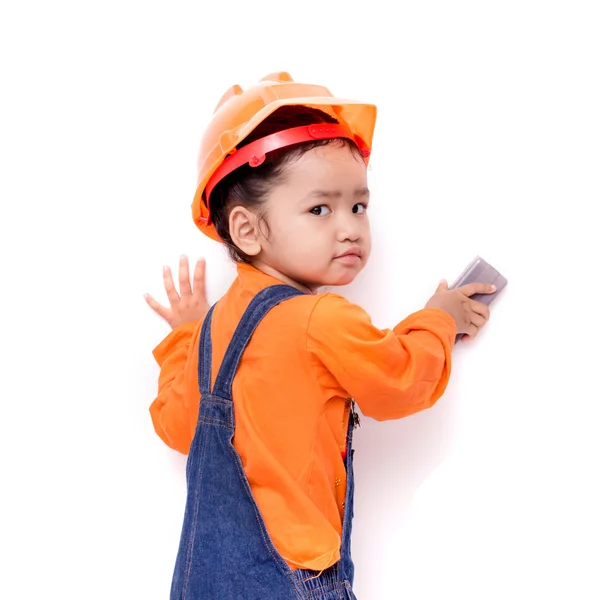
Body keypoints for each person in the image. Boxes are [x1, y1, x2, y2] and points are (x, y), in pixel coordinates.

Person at [144, 71, 494, 600]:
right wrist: (440, 319)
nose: (350, 227)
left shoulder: (212, 329)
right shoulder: (320, 319)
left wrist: (184, 339)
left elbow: (179, 428)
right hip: (291, 580)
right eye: (319, 209)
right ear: (247, 230)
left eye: (359, 206)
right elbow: (399, 377)